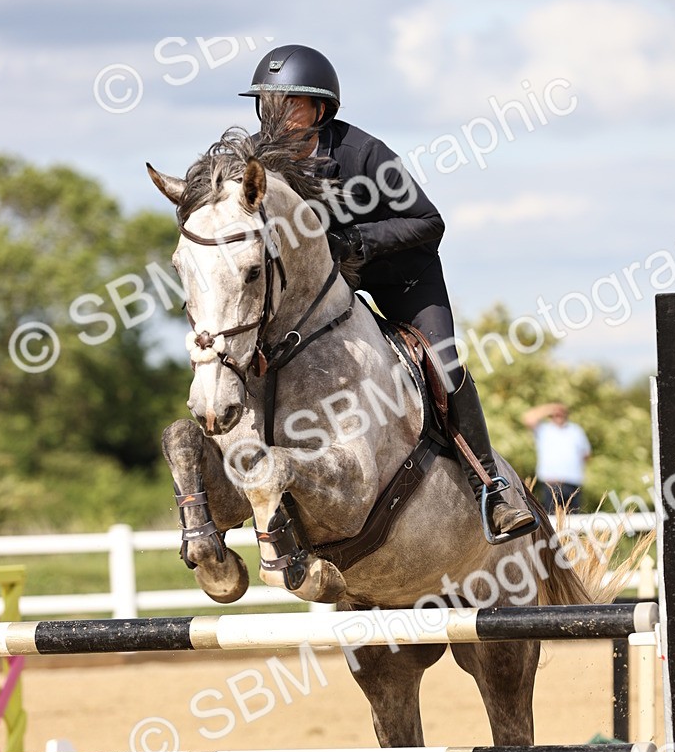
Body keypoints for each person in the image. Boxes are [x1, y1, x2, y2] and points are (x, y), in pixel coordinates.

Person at [239, 43, 536, 543]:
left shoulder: (364, 153)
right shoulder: (255, 160)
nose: (277, 116)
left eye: (290, 104)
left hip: (401, 278)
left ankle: (493, 487)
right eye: (269, 104)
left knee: (443, 364)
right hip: (327, 289)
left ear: (320, 110)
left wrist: (360, 239)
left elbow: (429, 220)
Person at [522, 402, 591, 513]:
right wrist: (550, 408)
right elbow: (528, 418)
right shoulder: (544, 430)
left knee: (573, 521)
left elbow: (586, 454)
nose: (558, 415)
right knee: (552, 519)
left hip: (572, 483)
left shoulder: (576, 430)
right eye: (556, 413)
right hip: (551, 484)